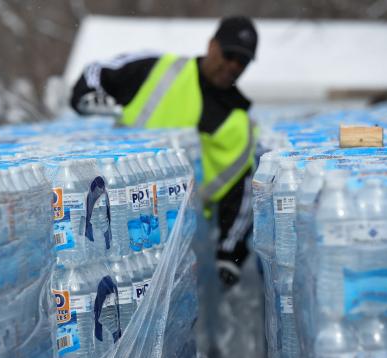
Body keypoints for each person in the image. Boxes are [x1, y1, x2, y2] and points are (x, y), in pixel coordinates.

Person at [70, 16, 258, 288]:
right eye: (229, 55)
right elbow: (97, 72)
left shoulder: (238, 121)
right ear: (211, 45)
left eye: (242, 62)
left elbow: (240, 190)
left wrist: (229, 252)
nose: (233, 66)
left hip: (177, 241)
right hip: (111, 208)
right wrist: (86, 95)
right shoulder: (162, 69)